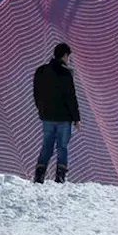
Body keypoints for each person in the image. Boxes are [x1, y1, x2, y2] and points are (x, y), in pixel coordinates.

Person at [31, 42, 80, 184]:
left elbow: (36, 93)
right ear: (65, 55)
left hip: (47, 116)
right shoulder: (66, 73)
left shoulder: (41, 71)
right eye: (68, 56)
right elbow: (71, 97)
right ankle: (60, 177)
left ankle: (39, 175)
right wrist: (76, 119)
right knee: (62, 147)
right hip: (64, 118)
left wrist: (41, 109)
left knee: (46, 145)